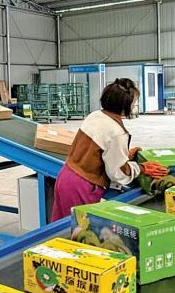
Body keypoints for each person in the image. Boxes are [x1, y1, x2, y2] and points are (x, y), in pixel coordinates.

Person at [51, 77, 167, 221]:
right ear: (124, 105)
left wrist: (125, 155)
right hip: (82, 185)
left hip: (65, 176)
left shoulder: (95, 116)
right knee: (79, 229)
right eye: (133, 103)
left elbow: (97, 151)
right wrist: (142, 168)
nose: (134, 106)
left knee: (60, 228)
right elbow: (117, 173)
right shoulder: (117, 132)